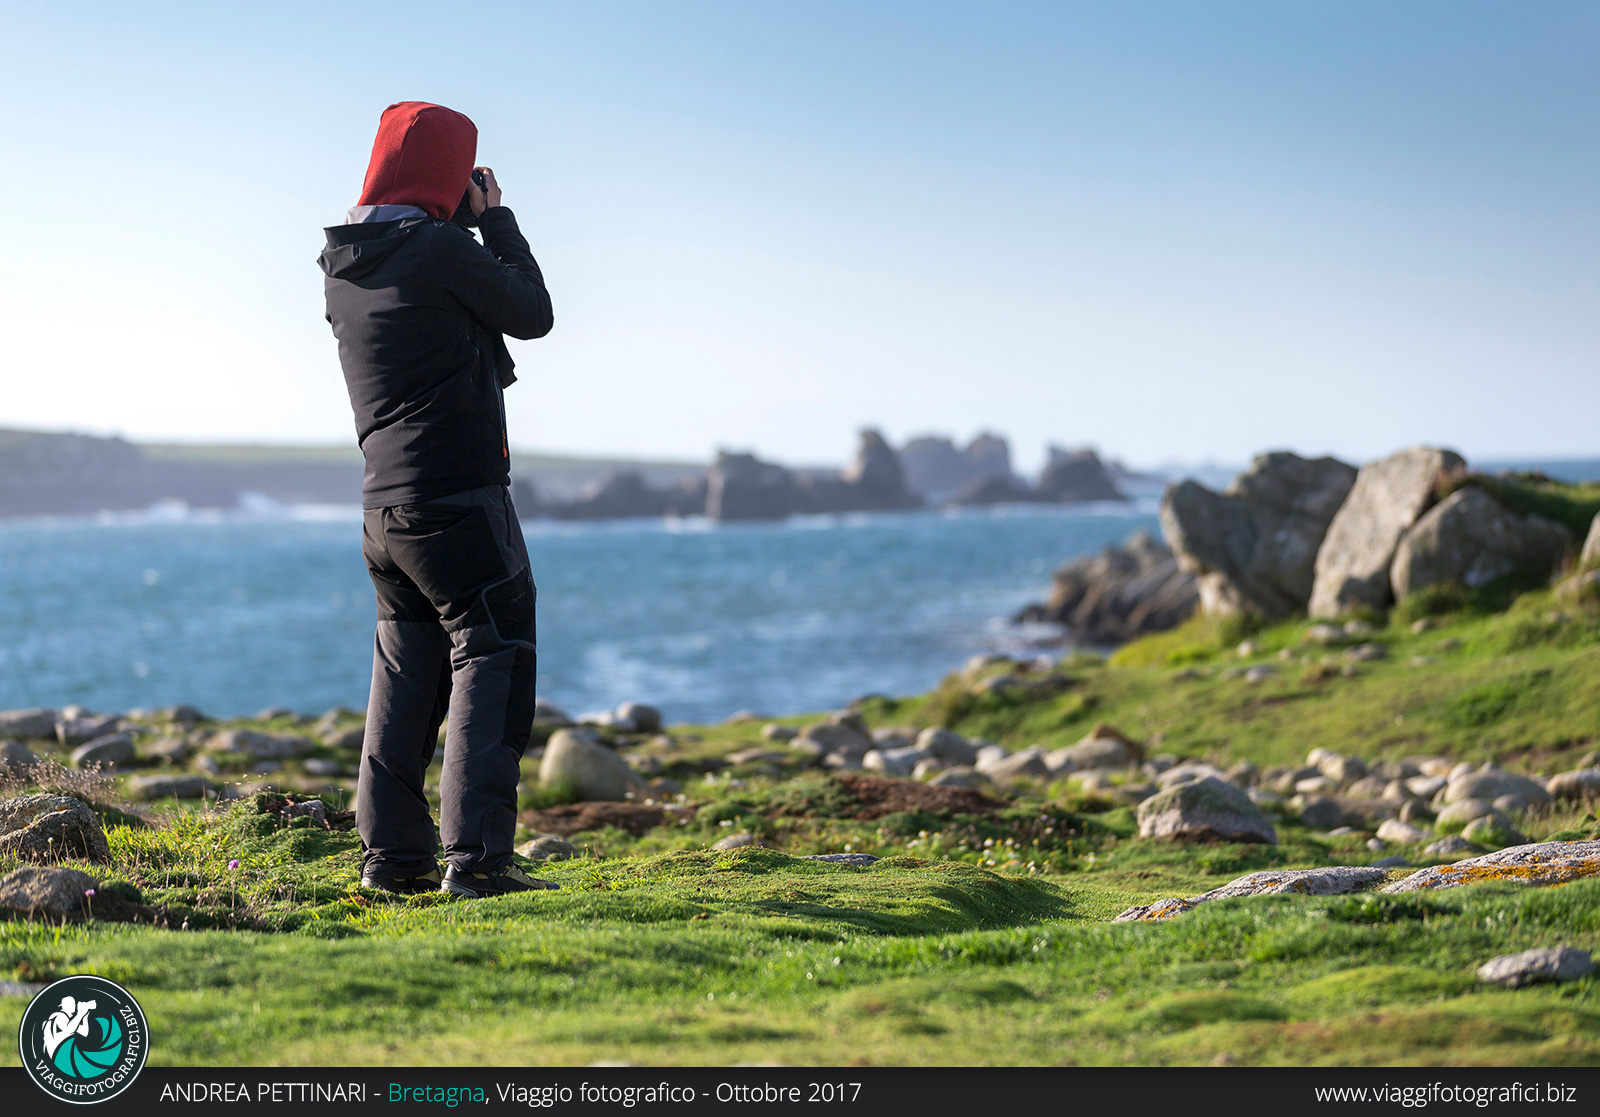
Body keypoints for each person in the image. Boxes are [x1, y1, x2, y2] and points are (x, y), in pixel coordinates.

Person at [319, 101, 555, 897]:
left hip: (385, 513)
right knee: (492, 655)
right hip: (459, 499)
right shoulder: (439, 250)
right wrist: (500, 221)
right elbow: (531, 312)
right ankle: (479, 863)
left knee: (408, 673)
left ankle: (393, 861)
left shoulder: (346, 266)